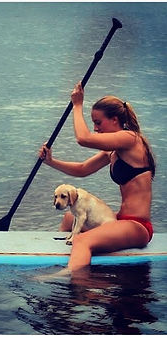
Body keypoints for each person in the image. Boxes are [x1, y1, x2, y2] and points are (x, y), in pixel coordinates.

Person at [39, 82, 156, 274]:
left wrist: (77, 105)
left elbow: (83, 138)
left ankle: (73, 282)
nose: (95, 128)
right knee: (70, 218)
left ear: (115, 120)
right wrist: (51, 161)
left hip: (138, 226)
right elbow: (83, 169)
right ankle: (64, 258)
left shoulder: (130, 139)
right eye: (93, 123)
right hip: (119, 220)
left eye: (98, 122)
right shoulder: (114, 150)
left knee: (82, 239)